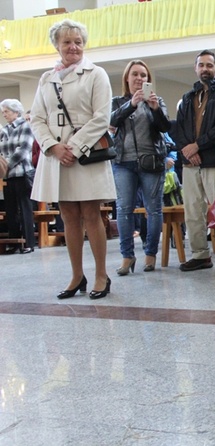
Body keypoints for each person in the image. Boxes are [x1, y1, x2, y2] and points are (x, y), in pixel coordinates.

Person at [29, 19, 115, 299]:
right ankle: (77, 275)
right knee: (68, 216)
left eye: (78, 41)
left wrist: (73, 147)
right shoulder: (46, 78)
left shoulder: (96, 74)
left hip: (86, 153)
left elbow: (102, 117)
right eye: (67, 42)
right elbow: (37, 118)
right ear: (57, 45)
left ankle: (101, 275)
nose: (73, 47)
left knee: (91, 214)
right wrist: (53, 147)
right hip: (56, 156)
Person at [173, 50, 215, 273]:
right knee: (193, 212)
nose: (205, 69)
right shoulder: (187, 97)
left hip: (213, 160)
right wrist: (187, 149)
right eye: (201, 65)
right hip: (190, 162)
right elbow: (180, 128)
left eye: (209, 65)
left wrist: (198, 145)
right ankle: (200, 255)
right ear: (195, 68)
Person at [110, 60, 171, 275]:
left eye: (143, 75)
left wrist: (155, 109)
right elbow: (112, 122)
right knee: (124, 210)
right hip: (123, 162)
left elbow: (165, 127)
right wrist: (131, 105)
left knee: (153, 210)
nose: (139, 79)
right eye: (135, 74)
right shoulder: (117, 102)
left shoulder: (157, 101)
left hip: (151, 161)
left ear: (148, 80)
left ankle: (150, 254)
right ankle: (127, 256)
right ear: (127, 78)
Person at [0, 99, 36, 254]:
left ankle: (29, 242)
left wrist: (6, 165)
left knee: (25, 208)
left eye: (6, 111)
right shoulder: (4, 130)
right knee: (11, 209)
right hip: (8, 176)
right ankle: (14, 243)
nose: (4, 115)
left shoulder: (26, 126)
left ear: (15, 111)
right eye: (3, 112)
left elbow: (24, 149)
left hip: (22, 173)